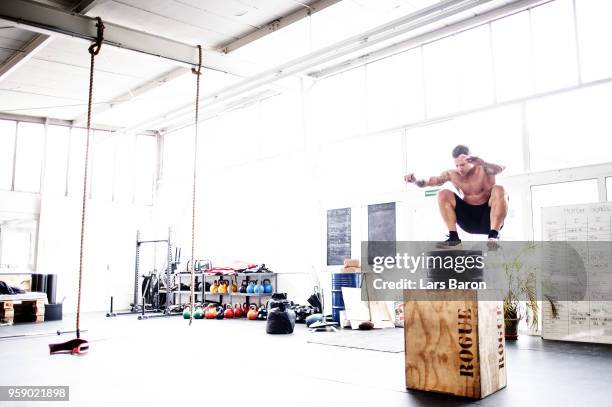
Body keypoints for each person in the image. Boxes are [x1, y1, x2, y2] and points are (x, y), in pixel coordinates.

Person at [404, 145, 508, 245]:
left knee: (499, 189)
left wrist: (483, 162)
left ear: (471, 160)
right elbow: (429, 182)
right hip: (469, 219)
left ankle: (493, 235)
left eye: (462, 165)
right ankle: (453, 237)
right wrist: (415, 180)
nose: (459, 169)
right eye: (457, 165)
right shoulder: (451, 174)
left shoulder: (484, 168)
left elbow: (501, 168)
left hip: (489, 219)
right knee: (443, 193)